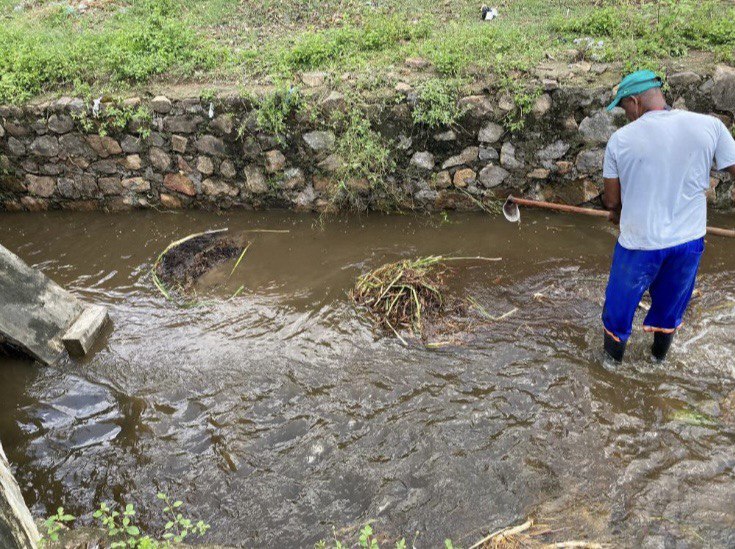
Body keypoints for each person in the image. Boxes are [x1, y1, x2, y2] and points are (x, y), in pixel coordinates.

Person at [600, 70, 735, 363]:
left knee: (618, 313)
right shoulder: (710, 126)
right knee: (669, 308)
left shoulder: (621, 140)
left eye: (624, 108)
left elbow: (612, 200)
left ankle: (609, 369)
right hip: (688, 244)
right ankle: (658, 362)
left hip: (640, 244)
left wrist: (616, 213)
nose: (626, 116)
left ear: (635, 102)